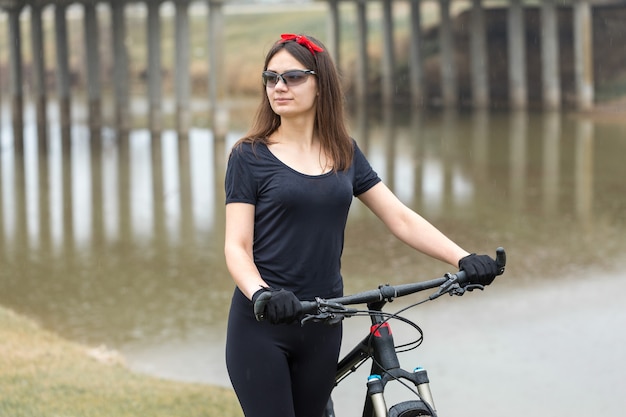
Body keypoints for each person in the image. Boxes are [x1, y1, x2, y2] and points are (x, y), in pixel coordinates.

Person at [224, 33, 499, 417]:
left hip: (325, 319)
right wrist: (261, 294)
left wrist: (463, 257)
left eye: (292, 77)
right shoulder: (249, 155)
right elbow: (236, 246)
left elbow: (400, 218)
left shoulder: (344, 152)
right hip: (263, 325)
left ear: (321, 84)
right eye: (271, 78)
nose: (279, 87)